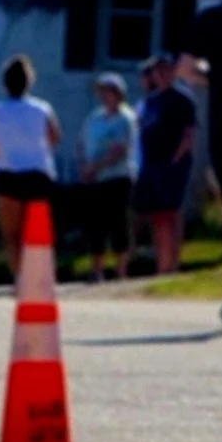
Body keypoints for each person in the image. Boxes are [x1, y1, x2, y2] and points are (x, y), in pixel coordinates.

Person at [0, 53, 62, 279]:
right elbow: (54, 137)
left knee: (11, 233)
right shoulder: (42, 109)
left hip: (8, 172)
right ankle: (40, 274)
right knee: (36, 230)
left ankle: (19, 275)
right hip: (37, 173)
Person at [133, 51, 197, 274]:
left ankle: (173, 264)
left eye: (165, 69)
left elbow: (189, 134)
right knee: (156, 215)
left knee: (171, 213)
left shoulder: (182, 99)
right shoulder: (151, 101)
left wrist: (175, 160)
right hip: (150, 164)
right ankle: (162, 263)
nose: (161, 74)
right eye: (157, 70)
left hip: (171, 164)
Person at [77, 72, 136, 281]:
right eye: (101, 91)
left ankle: (121, 270)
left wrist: (97, 166)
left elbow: (120, 149)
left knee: (119, 222)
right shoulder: (94, 118)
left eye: (108, 91)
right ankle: (97, 269)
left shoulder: (125, 118)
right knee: (96, 224)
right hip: (96, 179)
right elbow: (82, 144)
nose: (103, 96)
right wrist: (85, 166)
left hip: (117, 177)